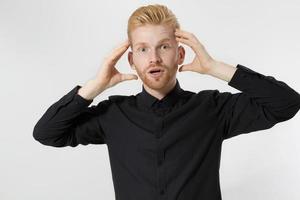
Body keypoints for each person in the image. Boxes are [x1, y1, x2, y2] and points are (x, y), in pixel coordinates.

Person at [33, 4, 300, 200]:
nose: (154, 58)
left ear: (180, 53)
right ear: (132, 60)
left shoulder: (212, 109)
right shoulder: (113, 114)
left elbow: (287, 103)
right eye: (143, 49)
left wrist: (214, 67)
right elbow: (47, 133)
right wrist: (95, 86)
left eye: (164, 46)